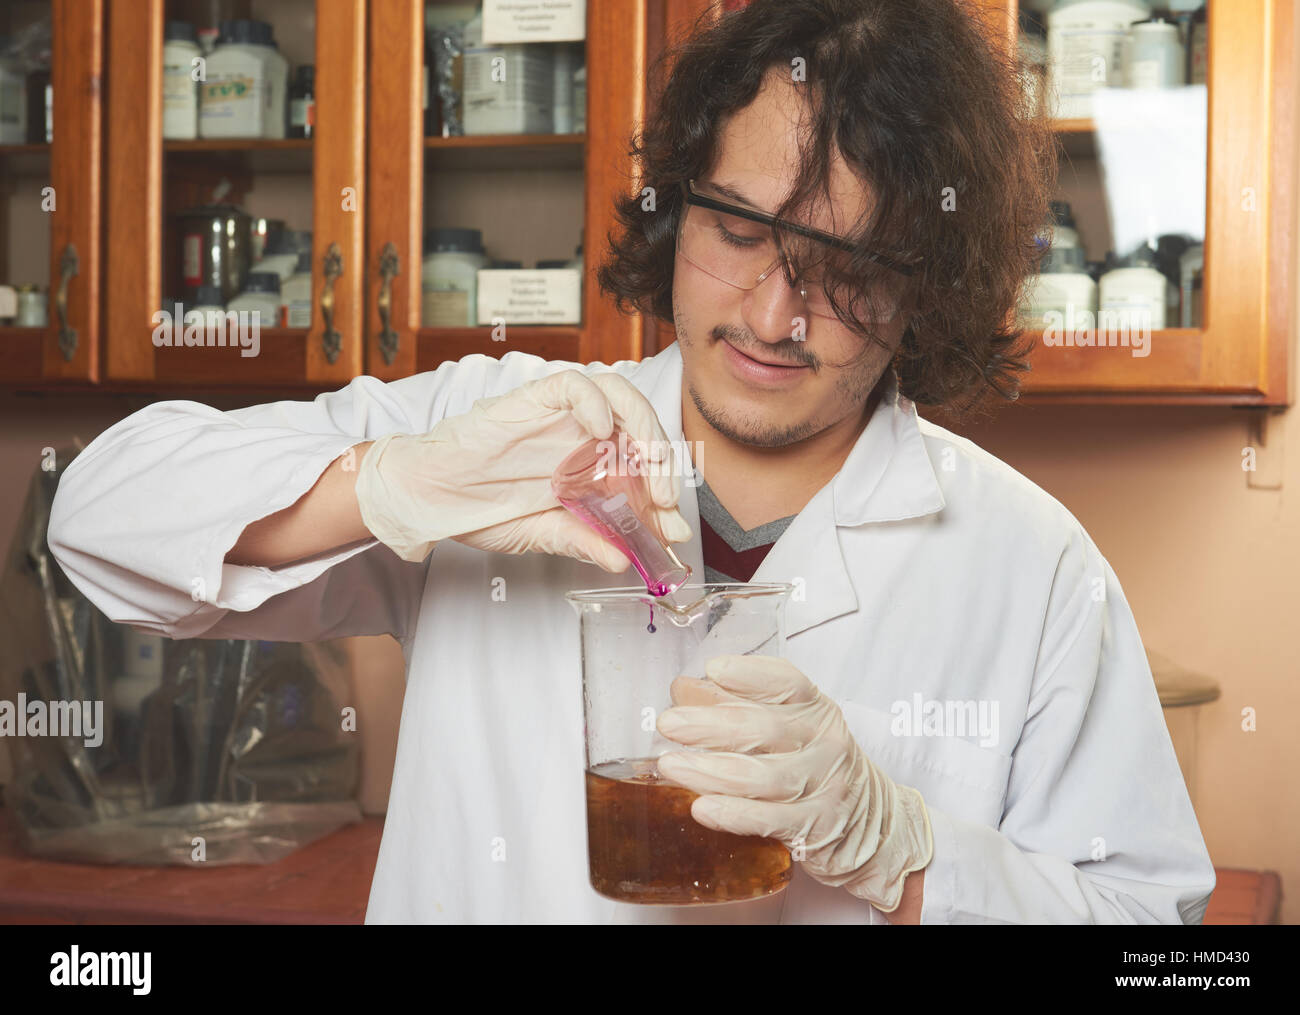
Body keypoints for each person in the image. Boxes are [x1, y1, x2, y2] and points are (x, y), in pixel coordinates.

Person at [47, 0, 1215, 923]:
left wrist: (901, 855)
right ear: (677, 214)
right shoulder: (500, 427)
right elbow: (98, 523)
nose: (771, 313)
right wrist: (395, 485)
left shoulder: (1031, 564)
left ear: (925, 287)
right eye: (739, 231)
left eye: (846, 268)